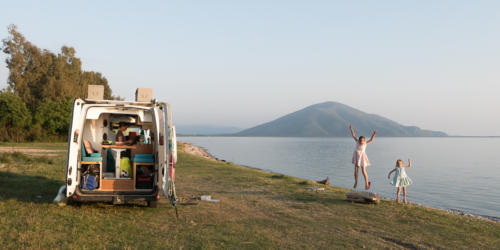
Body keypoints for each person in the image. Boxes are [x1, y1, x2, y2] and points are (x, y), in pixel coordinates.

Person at [349, 124, 376, 190]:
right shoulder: (357, 141)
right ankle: (356, 182)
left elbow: (371, 140)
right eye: (360, 140)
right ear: (359, 140)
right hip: (356, 156)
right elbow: (353, 135)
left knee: (363, 170)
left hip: (362, 157)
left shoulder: (365, 143)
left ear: (364, 140)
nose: (361, 142)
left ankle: (366, 183)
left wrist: (373, 134)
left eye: (362, 141)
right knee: (356, 170)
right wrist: (351, 129)